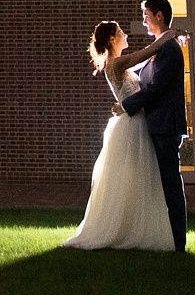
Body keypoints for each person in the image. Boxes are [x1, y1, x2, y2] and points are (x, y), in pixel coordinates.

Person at [61, 15, 185, 251]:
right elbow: (148, 52)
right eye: (121, 32)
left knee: (138, 180)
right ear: (111, 39)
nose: (126, 35)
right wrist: (170, 35)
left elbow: (148, 61)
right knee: (132, 180)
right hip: (131, 126)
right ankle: (124, 229)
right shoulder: (116, 64)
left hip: (135, 122)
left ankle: (136, 227)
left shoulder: (120, 63)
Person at [119, 0, 190, 252]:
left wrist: (126, 106)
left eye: (147, 15)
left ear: (159, 16)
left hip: (165, 126)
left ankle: (177, 242)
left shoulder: (169, 50)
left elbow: (157, 88)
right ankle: (163, 237)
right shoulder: (159, 48)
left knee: (170, 183)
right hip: (156, 125)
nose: (144, 20)